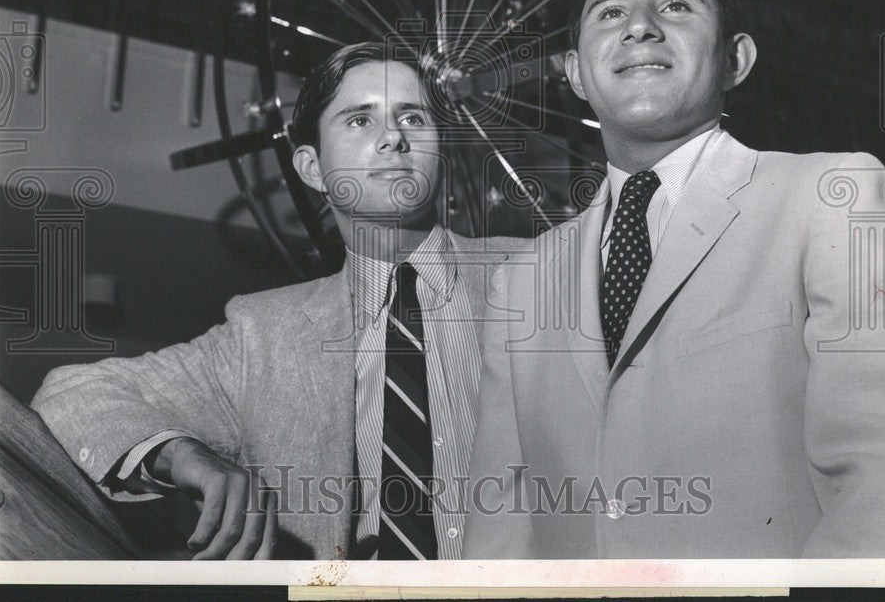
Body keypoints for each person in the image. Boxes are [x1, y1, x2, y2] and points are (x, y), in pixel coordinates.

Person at [464, 0, 885, 559]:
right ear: (575, 71)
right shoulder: (520, 281)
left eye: (676, 5)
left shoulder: (836, 195)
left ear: (735, 59)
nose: (639, 26)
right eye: (610, 11)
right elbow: (501, 525)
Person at [32, 42, 525, 560]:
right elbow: (71, 393)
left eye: (413, 117)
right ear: (312, 169)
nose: (393, 137)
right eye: (360, 120)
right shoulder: (260, 334)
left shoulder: (544, 271)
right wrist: (185, 454)